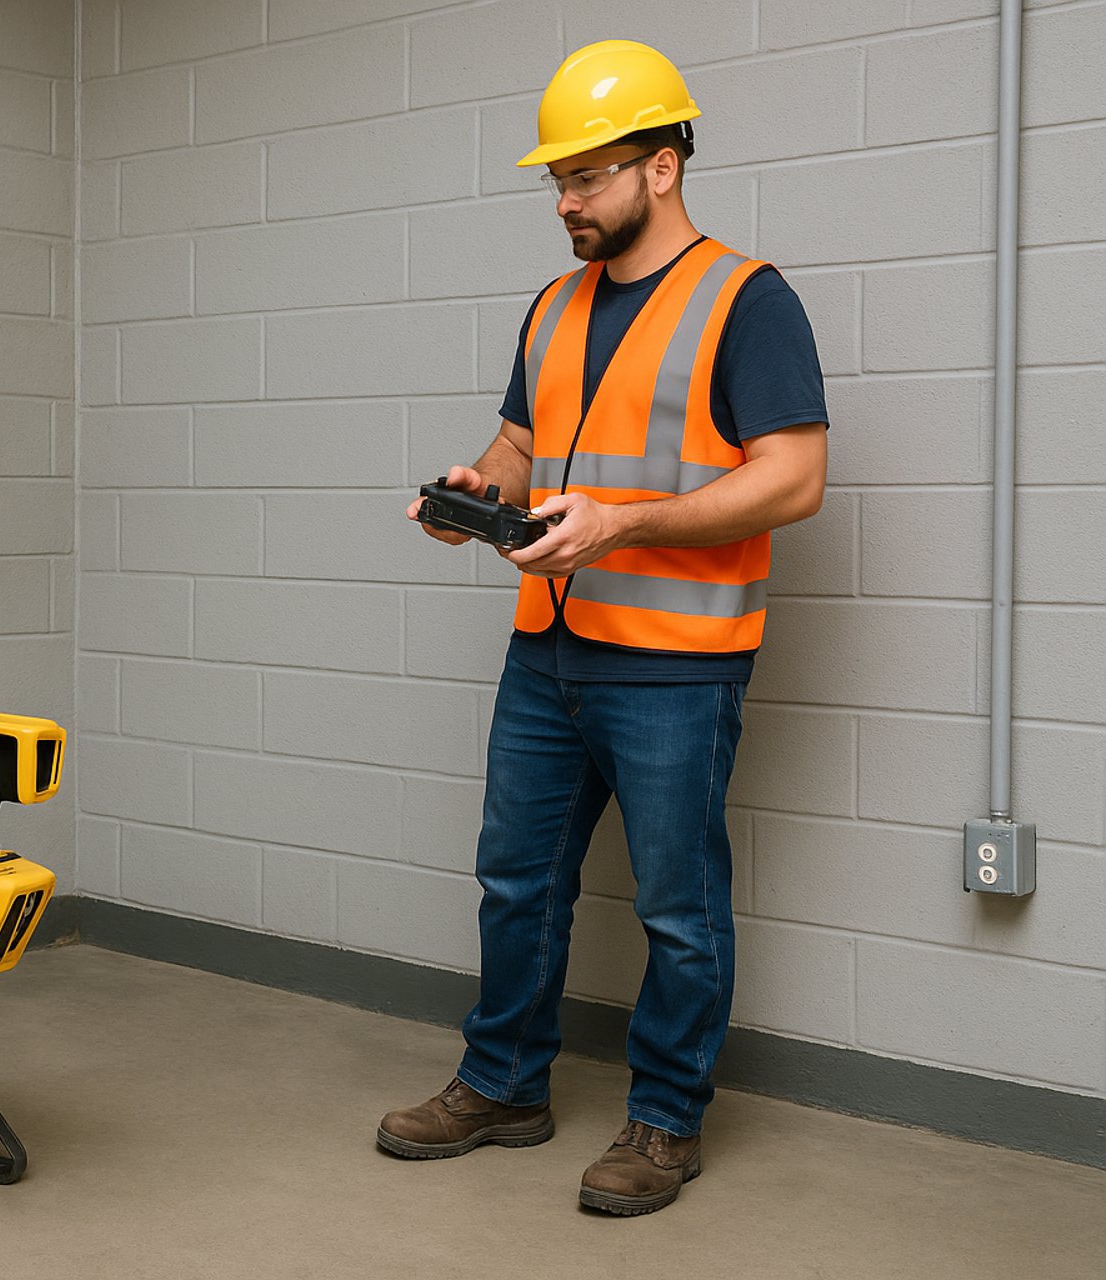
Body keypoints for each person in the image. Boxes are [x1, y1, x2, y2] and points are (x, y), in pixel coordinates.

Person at [383, 39, 830, 1216]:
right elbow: (523, 444)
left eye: (587, 176)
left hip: (677, 666)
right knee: (515, 881)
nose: (566, 201)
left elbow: (794, 477)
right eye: (559, 180)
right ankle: (503, 1084)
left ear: (662, 166)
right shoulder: (555, 304)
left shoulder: (748, 300)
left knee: (677, 907)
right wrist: (476, 490)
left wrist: (624, 524)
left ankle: (666, 1119)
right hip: (548, 650)